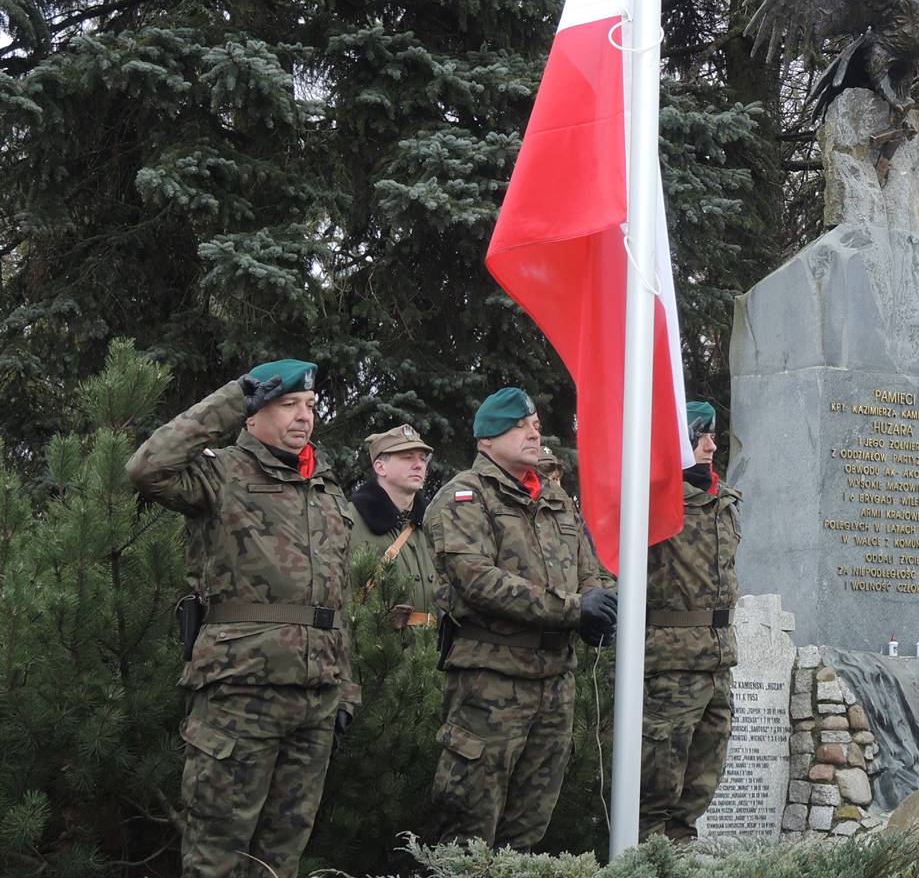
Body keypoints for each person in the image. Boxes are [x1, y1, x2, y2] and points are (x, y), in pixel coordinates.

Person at [125, 359, 360, 878]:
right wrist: (232, 397)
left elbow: (336, 605)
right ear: (253, 416)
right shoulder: (221, 472)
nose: (303, 417)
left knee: (280, 859)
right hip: (240, 693)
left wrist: (346, 689)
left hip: (315, 699)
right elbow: (146, 469)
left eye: (310, 406)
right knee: (217, 855)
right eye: (287, 405)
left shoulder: (325, 491)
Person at [425, 387, 617, 849]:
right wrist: (574, 609)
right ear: (486, 440)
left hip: (554, 681)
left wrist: (598, 604)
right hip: (491, 680)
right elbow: (479, 582)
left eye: (533, 422)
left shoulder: (554, 499)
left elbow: (588, 568)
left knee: (528, 830)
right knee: (469, 827)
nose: (534, 430)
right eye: (518, 424)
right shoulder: (464, 497)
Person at [638, 401, 743, 841]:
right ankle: (645, 862)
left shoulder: (725, 499)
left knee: (701, 782)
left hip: (717, 660)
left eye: (714, 435)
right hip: (672, 661)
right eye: (703, 435)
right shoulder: (656, 499)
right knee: (656, 787)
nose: (712, 444)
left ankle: (678, 856)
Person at [349, 423, 440, 630]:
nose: (419, 465)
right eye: (407, 458)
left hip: (430, 655)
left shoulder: (432, 524)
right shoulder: (350, 520)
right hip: (377, 653)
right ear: (380, 467)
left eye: (422, 458)